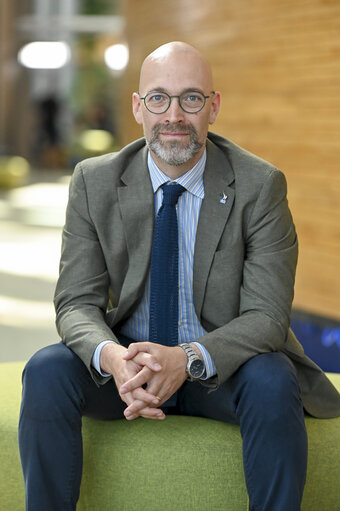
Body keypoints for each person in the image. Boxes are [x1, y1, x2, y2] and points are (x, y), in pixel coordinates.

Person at [19, 41, 340, 511]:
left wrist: (187, 358)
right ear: (137, 107)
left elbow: (267, 317)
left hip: (219, 369)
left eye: (191, 98)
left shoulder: (260, 186)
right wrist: (112, 358)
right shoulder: (94, 181)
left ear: (213, 107)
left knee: (274, 377)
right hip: (130, 369)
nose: (173, 115)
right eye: (158, 98)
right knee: (47, 370)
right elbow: (75, 303)